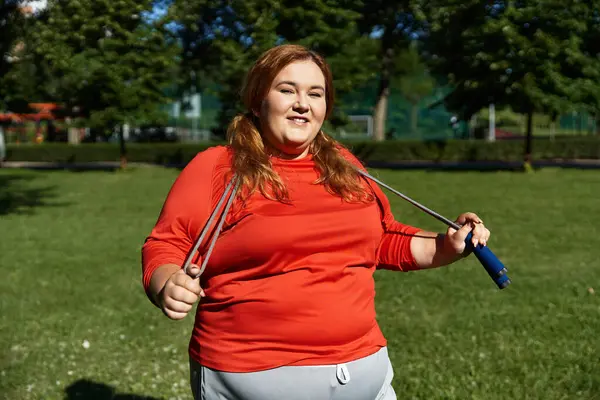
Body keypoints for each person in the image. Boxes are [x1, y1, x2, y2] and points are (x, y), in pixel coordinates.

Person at [141, 44, 491, 400]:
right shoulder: (219, 167)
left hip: (364, 370)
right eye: (287, 90)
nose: (302, 104)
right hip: (250, 374)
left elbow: (382, 240)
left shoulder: (344, 164)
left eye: (315, 93)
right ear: (257, 100)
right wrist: (167, 283)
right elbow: (166, 244)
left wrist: (449, 245)